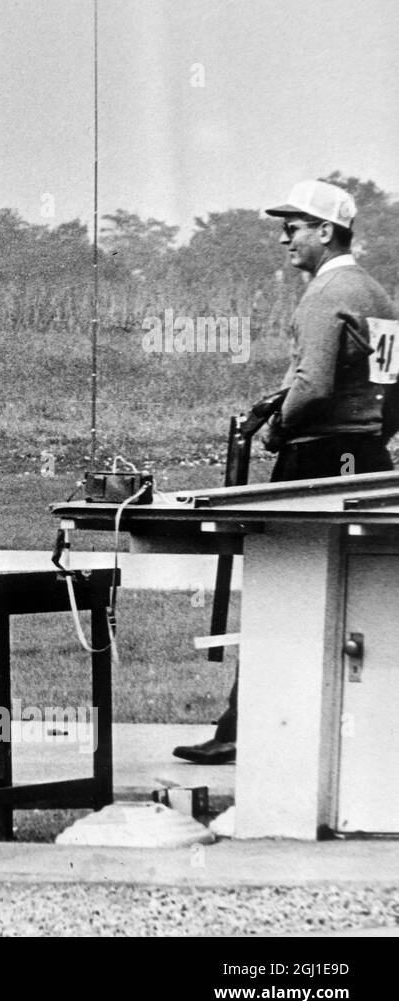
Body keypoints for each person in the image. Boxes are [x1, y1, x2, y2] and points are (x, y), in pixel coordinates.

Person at [174, 179, 398, 765]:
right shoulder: (377, 294)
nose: (283, 238)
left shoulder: (326, 293)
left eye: (294, 226)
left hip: (314, 464)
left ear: (326, 232)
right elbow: (394, 390)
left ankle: (241, 730)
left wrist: (274, 430)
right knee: (363, 598)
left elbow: (314, 384)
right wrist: (374, 439)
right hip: (370, 464)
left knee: (280, 592)